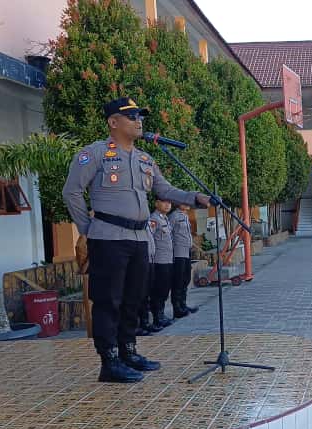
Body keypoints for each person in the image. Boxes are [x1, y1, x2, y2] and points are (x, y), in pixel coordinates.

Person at [62, 97, 214, 383]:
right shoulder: (94, 154)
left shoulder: (145, 159)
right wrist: (88, 227)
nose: (138, 121)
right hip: (108, 238)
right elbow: (71, 192)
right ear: (113, 122)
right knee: (109, 300)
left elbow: (164, 189)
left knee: (134, 298)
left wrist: (193, 198)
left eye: (139, 116)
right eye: (132, 116)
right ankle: (109, 361)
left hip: (140, 238)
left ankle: (129, 351)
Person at [149, 199, 176, 329]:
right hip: (159, 260)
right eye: (164, 202)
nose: (167, 205)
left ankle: (161, 314)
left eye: (169, 203)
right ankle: (157, 317)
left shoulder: (165, 218)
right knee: (158, 290)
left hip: (168, 259)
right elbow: (150, 239)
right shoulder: (153, 219)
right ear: (156, 203)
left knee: (165, 289)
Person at [170, 203, 198, 317]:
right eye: (184, 202)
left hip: (186, 252)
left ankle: (183, 304)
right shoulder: (174, 216)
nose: (188, 204)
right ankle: (177, 308)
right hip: (178, 252)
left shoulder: (185, 216)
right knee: (178, 280)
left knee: (186, 279)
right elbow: (169, 234)